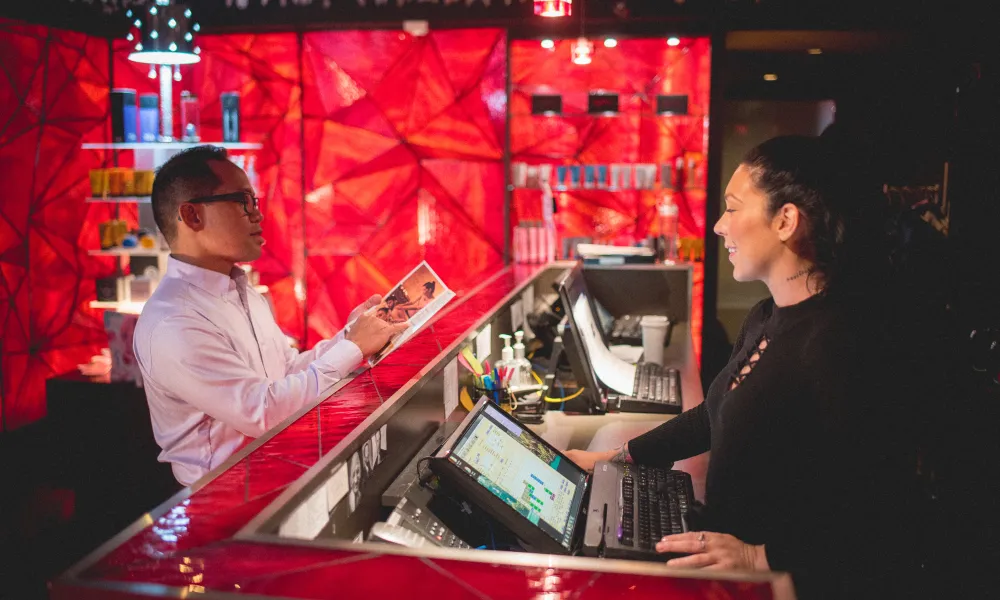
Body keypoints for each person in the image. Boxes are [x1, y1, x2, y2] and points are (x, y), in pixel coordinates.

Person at [565, 136, 915, 599]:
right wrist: (619, 459)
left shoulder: (839, 343)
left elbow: (874, 501)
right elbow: (716, 413)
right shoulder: (766, 316)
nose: (717, 226)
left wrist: (762, 557)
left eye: (732, 209)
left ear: (786, 220)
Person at [134, 146, 407, 487]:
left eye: (256, 203)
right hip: (222, 500)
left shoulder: (241, 290)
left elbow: (287, 371)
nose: (257, 215)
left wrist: (352, 336)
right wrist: (352, 346)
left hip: (277, 479)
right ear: (192, 216)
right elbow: (262, 411)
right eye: (242, 201)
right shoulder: (174, 321)